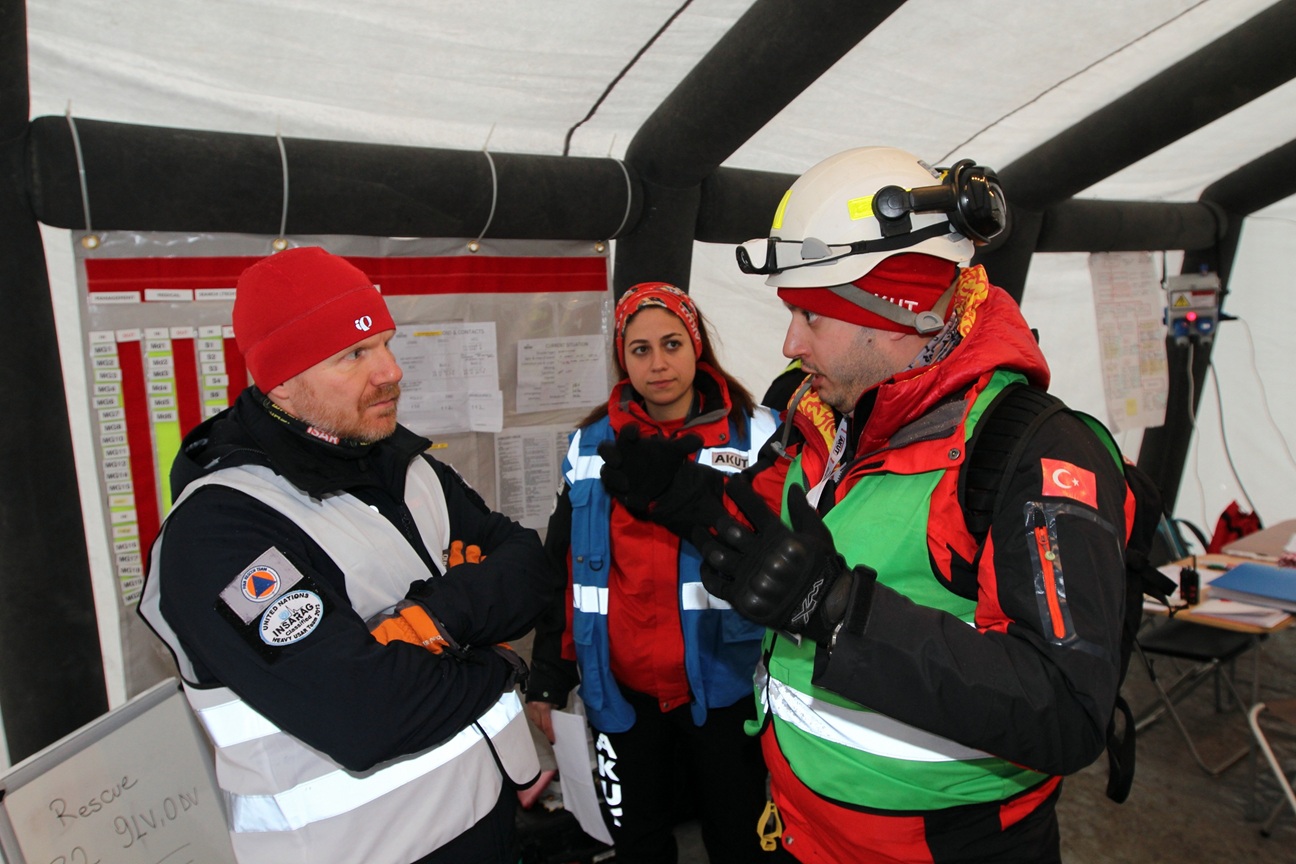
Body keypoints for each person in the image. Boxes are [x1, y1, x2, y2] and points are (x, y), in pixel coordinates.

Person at [599, 147, 1131, 863]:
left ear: (898, 312)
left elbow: (1065, 708)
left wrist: (840, 609)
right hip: (798, 830)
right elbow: (767, 544)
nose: (789, 343)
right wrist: (680, 497)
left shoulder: (1032, 453)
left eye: (811, 317)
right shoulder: (822, 415)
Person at [139, 246, 555, 864]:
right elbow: (367, 716)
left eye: (386, 343)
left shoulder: (406, 467)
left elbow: (531, 568)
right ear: (281, 379)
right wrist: (498, 664)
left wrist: (435, 622)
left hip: (483, 819)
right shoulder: (221, 529)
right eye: (355, 354)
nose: (390, 371)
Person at [524, 282, 782, 864]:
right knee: (636, 844)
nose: (658, 363)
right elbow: (562, 566)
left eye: (671, 344)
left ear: (697, 348)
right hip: (620, 691)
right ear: (622, 358)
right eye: (640, 350)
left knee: (741, 838)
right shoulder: (591, 444)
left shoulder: (760, 436)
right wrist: (548, 676)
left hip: (727, 685)